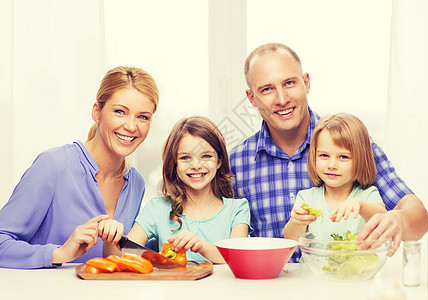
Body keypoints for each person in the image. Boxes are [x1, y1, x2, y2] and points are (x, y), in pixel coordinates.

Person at [229, 42, 428, 261]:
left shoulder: (352, 145)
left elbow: (418, 218)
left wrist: (399, 219)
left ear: (306, 82)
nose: (282, 99)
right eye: (267, 89)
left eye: (289, 83)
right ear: (251, 98)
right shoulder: (238, 162)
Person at [0, 66, 159, 268]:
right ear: (97, 112)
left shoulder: (135, 183)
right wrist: (59, 253)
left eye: (143, 117)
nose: (131, 126)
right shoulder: (53, 165)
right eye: (120, 112)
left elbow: (123, 255)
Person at [105, 116, 251, 263]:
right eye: (185, 158)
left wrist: (201, 246)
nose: (196, 165)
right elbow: (123, 257)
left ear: (219, 161)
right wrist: (110, 236)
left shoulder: (237, 209)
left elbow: (238, 258)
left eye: (206, 156)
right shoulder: (157, 208)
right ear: (174, 164)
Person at [283, 113, 386, 241]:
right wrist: (296, 221)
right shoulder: (307, 198)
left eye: (343, 157)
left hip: (356, 261)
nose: (332, 165)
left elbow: (383, 220)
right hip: (313, 261)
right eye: (324, 156)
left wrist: (361, 206)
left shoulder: (367, 196)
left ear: (360, 159)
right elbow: (290, 239)